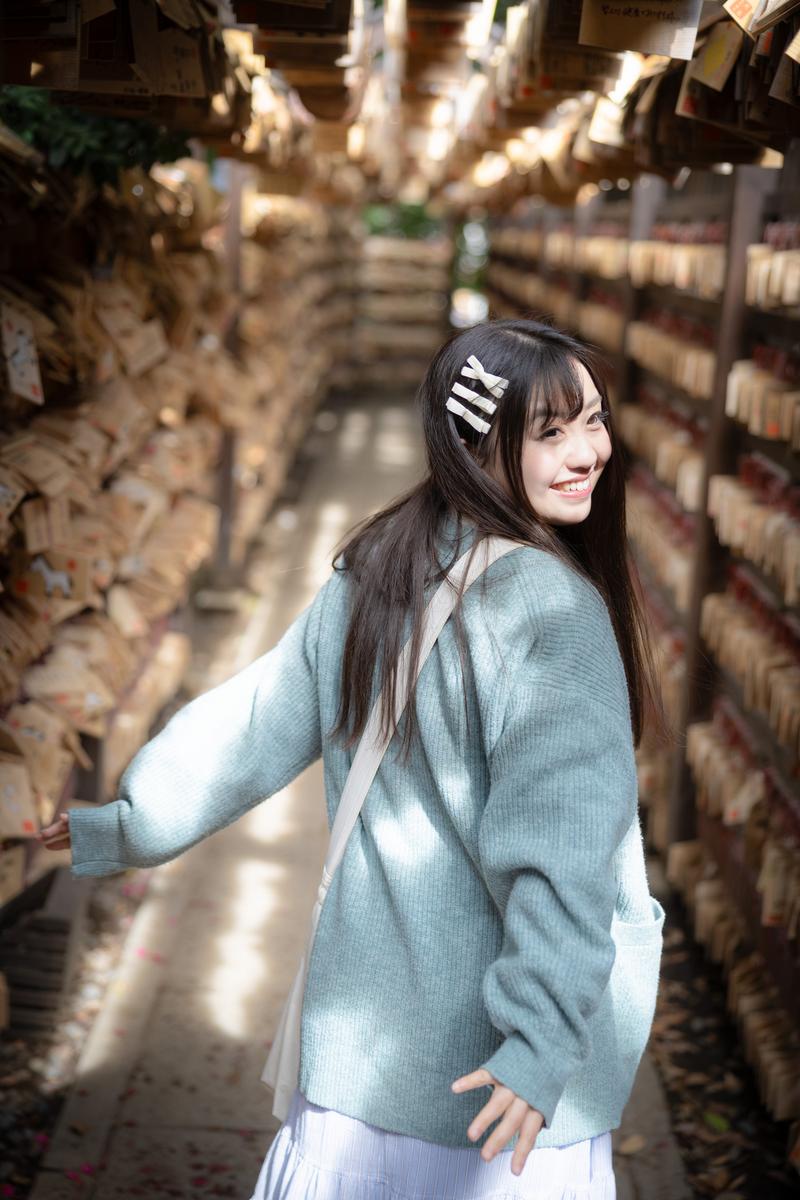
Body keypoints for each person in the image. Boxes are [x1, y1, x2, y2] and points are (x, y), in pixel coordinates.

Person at [40, 317, 668, 1200]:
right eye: (549, 432)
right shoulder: (554, 618)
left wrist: (125, 827)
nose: (588, 451)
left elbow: (253, 723)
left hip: (362, 1066)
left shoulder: (387, 561)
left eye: (594, 420)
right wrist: (539, 1041)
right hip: (499, 1097)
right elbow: (564, 860)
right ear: (475, 447)